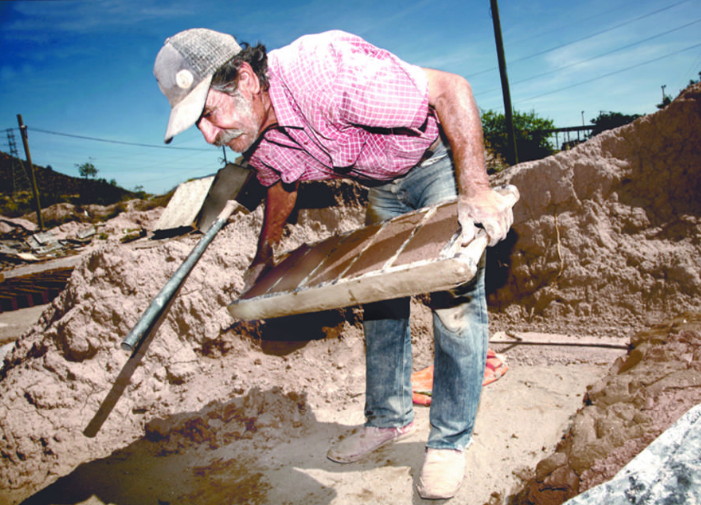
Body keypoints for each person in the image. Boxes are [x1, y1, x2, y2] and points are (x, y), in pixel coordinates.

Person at [154, 28, 514, 500]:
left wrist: (475, 188)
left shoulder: (327, 72)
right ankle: (387, 419)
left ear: (244, 78)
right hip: (381, 186)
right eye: (195, 125)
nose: (208, 135)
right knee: (379, 302)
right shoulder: (255, 135)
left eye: (207, 113)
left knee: (455, 301)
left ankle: (448, 441)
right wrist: (264, 255)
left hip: (433, 164)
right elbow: (281, 183)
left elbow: (451, 89)